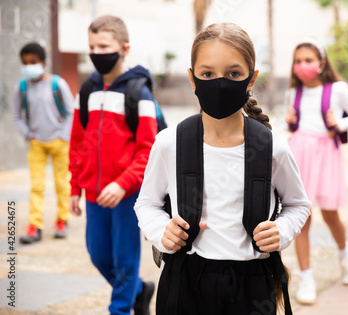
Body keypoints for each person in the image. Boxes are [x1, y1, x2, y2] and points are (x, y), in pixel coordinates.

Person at [134, 23, 311, 315]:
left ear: (251, 79)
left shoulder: (272, 147)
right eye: (207, 74)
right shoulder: (169, 143)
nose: (219, 83)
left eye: (233, 74)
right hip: (184, 281)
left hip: (253, 284)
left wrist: (282, 229)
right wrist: (159, 232)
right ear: (192, 79)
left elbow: (298, 204)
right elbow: (147, 203)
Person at [68, 15, 155, 315]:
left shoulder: (139, 94)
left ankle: (120, 309)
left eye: (103, 46)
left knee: (126, 259)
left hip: (126, 195)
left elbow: (148, 151)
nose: (96, 52)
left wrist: (123, 183)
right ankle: (140, 290)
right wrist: (74, 187)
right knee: (99, 256)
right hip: (93, 194)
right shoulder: (87, 91)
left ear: (124, 49)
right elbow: (77, 144)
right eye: (92, 46)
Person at [284, 38, 348, 304]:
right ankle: (306, 277)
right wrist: (290, 122)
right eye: (298, 61)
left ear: (321, 63)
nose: (302, 66)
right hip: (299, 153)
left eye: (308, 60)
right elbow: (294, 127)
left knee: (331, 214)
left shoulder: (337, 89)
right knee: (301, 216)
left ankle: (345, 252)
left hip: (326, 154)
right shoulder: (292, 92)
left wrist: (339, 122)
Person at [13, 42, 74, 243]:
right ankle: (35, 226)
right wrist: (28, 134)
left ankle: (62, 220)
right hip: (36, 144)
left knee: (61, 184)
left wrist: (63, 136)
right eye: (25, 63)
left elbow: (70, 112)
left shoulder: (58, 84)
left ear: (44, 63)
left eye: (33, 62)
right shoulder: (21, 88)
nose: (29, 66)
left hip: (59, 142)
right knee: (37, 186)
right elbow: (17, 116)